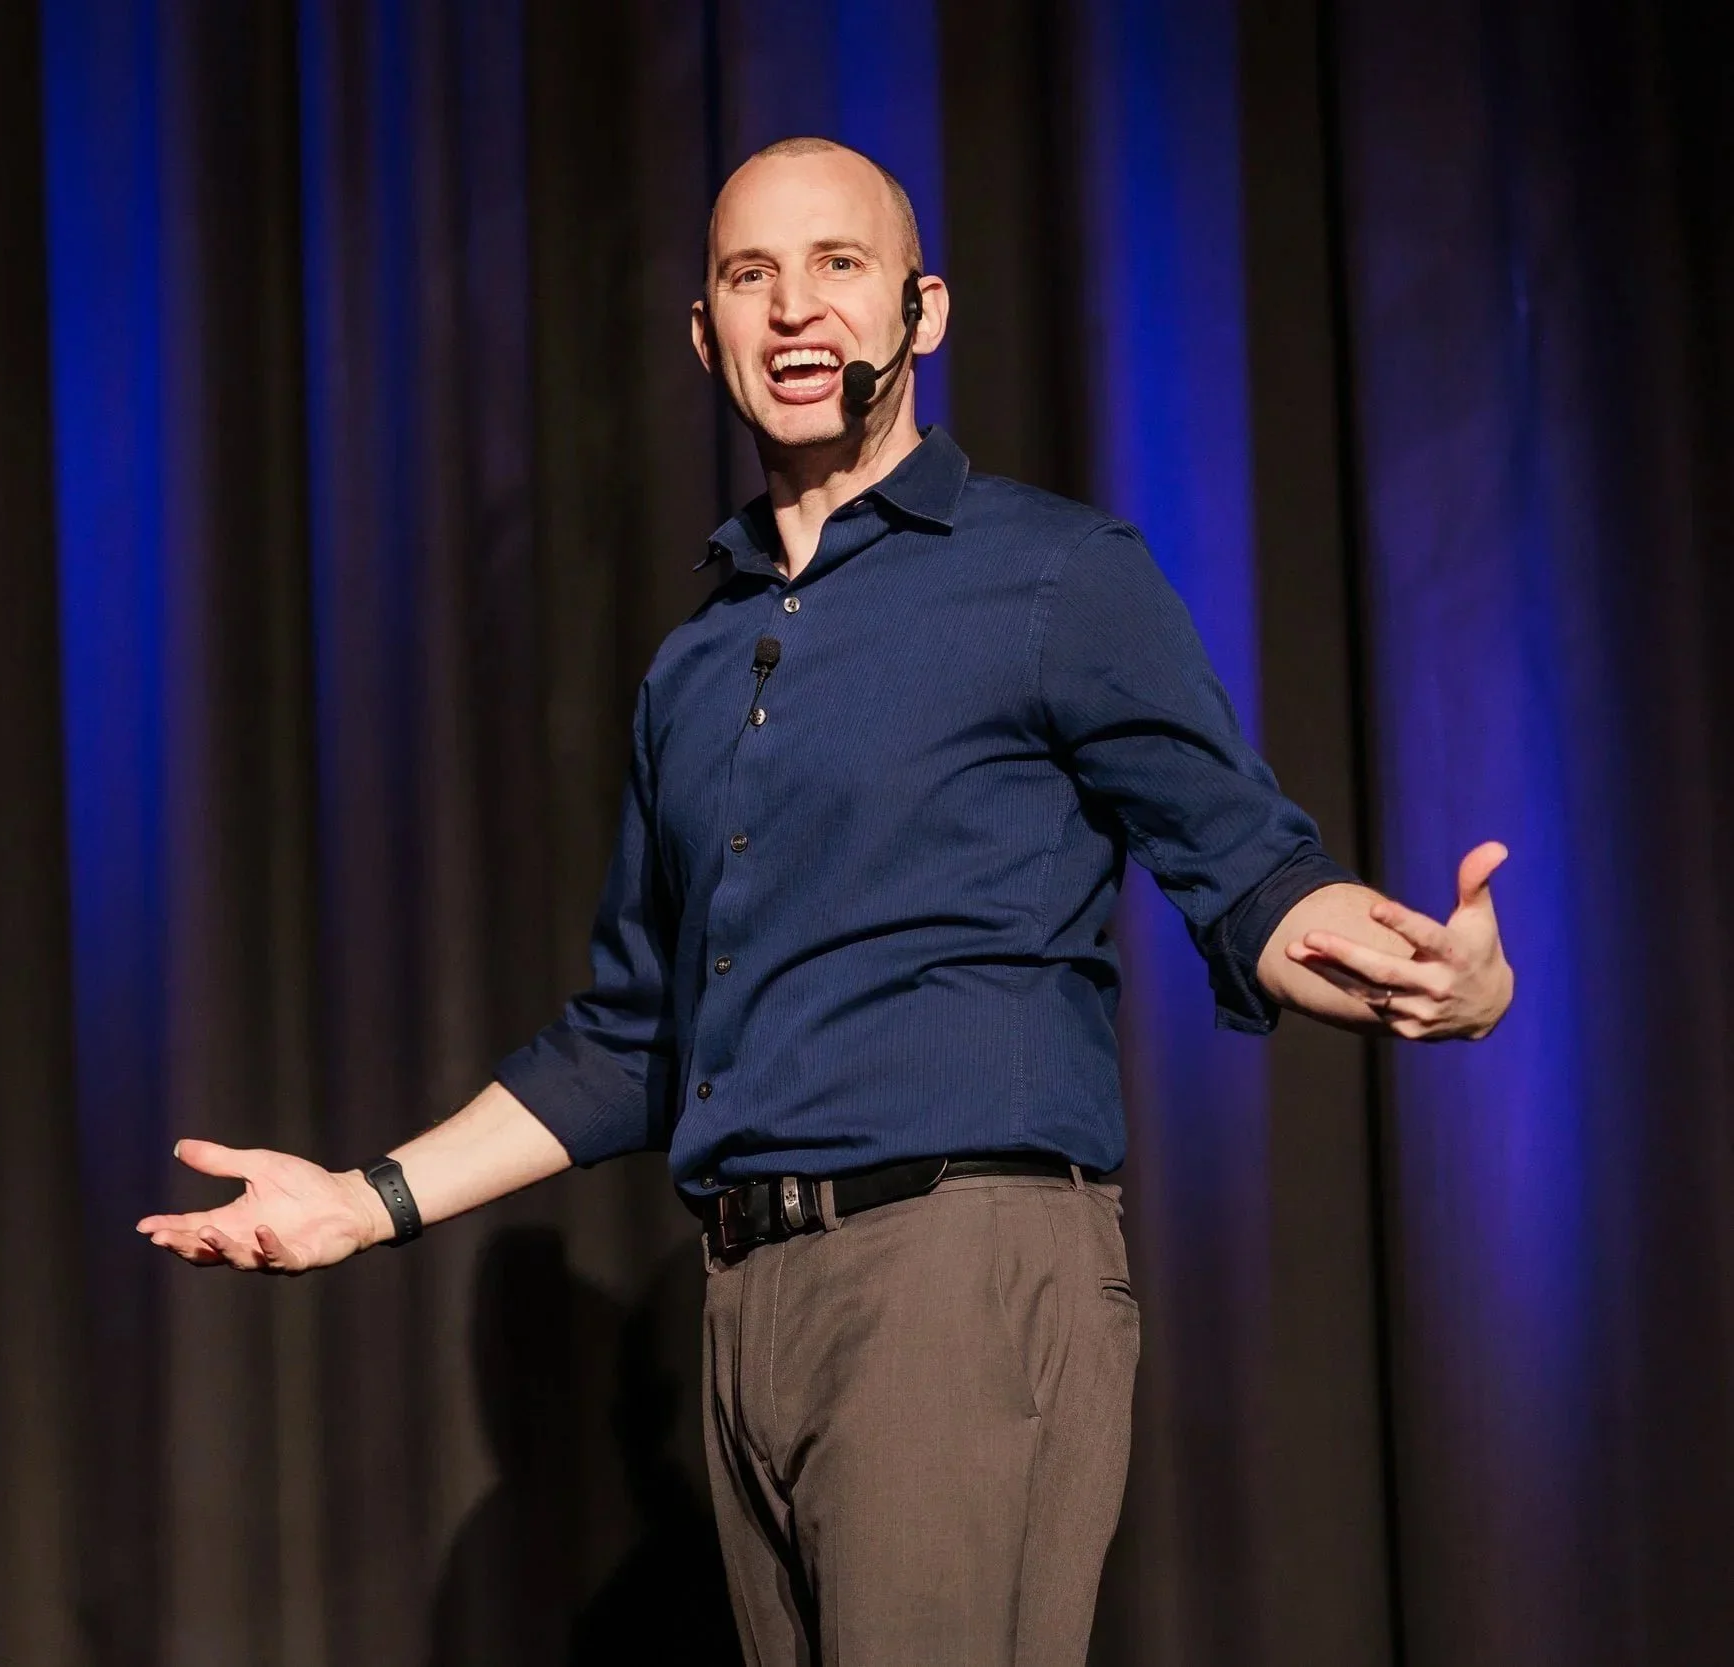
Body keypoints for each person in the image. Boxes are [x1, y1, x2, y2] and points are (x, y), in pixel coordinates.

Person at [136, 136, 1514, 1667]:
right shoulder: (698, 662)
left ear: (923, 312)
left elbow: (1250, 870)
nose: (796, 310)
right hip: (753, 1300)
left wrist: (1437, 979)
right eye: (750, 276)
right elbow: (634, 1034)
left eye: (838, 267)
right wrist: (359, 1200)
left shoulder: (1054, 576)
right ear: (704, 333)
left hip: (956, 1269)